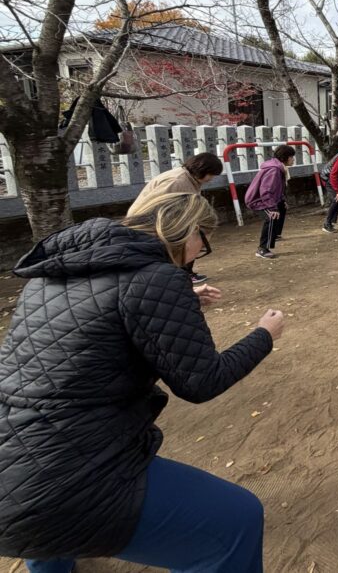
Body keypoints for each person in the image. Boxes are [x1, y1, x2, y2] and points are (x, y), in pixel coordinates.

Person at [0, 192, 285, 572]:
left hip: (12, 458)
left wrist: (178, 301)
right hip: (69, 475)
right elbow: (202, 382)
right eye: (204, 239)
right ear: (185, 230)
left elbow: (90, 327)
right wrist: (264, 335)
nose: (202, 251)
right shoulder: (158, 278)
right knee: (238, 519)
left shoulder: (55, 271)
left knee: (46, 527)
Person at [127, 152, 223, 284]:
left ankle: (185, 273)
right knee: (188, 239)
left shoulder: (189, 179)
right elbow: (156, 205)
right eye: (211, 174)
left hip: (162, 222)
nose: (211, 179)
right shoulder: (177, 181)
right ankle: (182, 274)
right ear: (202, 170)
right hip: (149, 223)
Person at [245, 144, 294, 259]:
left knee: (282, 207)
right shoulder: (274, 170)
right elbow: (266, 191)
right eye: (292, 157)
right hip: (258, 200)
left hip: (266, 199)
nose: (293, 160)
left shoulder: (279, 168)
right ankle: (262, 249)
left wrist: (281, 201)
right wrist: (272, 208)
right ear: (285, 157)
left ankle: (274, 235)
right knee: (271, 216)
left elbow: (277, 188)